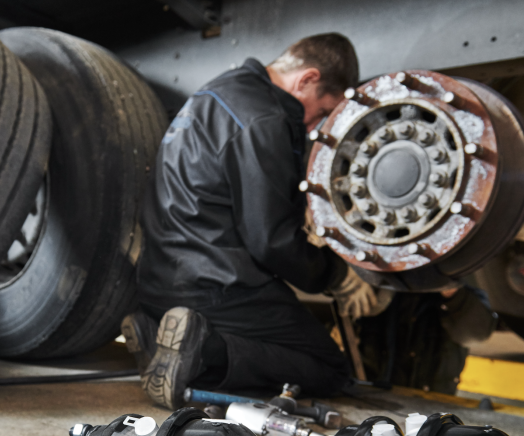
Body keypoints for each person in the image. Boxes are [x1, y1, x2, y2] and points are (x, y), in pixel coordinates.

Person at [121, 34, 379, 410]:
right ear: (306, 79)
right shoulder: (265, 117)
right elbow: (271, 240)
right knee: (329, 368)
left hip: (161, 278)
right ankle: (205, 352)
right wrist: (334, 275)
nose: (315, 127)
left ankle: (157, 332)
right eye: (323, 111)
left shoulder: (217, 92)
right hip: (214, 285)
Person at [357, 287, 497, 394]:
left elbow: (476, 334)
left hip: (432, 402)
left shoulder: (459, 292)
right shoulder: (377, 288)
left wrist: (451, 290)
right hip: (373, 396)